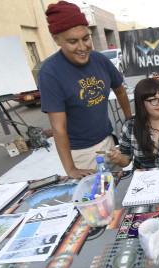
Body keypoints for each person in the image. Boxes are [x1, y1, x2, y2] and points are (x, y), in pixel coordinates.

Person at [38, 1, 132, 179]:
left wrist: (129, 122)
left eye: (85, 38)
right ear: (57, 39)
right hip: (81, 153)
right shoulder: (50, 72)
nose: (82, 47)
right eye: (73, 41)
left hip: (108, 142)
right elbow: (59, 128)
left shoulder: (99, 60)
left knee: (118, 190)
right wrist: (71, 169)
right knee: (95, 202)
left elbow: (120, 90)